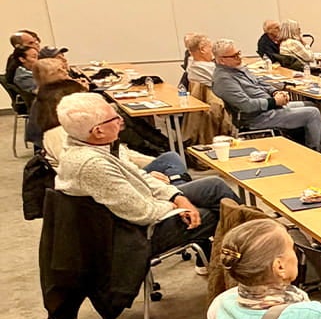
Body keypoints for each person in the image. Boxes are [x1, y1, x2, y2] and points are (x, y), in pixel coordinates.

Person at [54, 93, 237, 261]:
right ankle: (249, 256)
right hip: (134, 235)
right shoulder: (93, 165)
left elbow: (139, 176)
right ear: (98, 131)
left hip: (142, 205)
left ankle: (258, 242)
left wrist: (177, 197)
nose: (121, 120)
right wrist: (176, 206)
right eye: (114, 118)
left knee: (213, 186)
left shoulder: (101, 145)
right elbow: (143, 213)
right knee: (219, 213)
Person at [38, 81, 188, 182]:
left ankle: (177, 184)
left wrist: (151, 167)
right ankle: (179, 188)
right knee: (205, 186)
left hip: (128, 172)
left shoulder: (80, 132)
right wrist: (145, 177)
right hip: (124, 179)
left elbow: (123, 155)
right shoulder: (58, 135)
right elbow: (105, 174)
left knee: (170, 158)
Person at [210, 38, 321, 149]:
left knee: (309, 104)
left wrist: (275, 92)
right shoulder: (223, 80)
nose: (239, 57)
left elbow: (259, 81)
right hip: (256, 118)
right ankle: (314, 151)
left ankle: (301, 144)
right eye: (234, 56)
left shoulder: (238, 68)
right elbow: (247, 105)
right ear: (221, 60)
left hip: (268, 108)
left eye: (238, 53)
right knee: (312, 113)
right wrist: (274, 102)